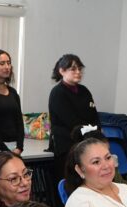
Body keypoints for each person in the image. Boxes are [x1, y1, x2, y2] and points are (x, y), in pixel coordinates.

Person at [48, 53, 100, 187]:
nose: (78, 72)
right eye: (73, 69)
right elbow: (71, 122)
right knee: (71, 185)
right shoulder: (57, 93)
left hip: (86, 143)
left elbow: (94, 116)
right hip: (67, 146)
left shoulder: (84, 91)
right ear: (62, 71)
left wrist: (96, 132)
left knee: (88, 184)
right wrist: (89, 131)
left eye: (80, 69)